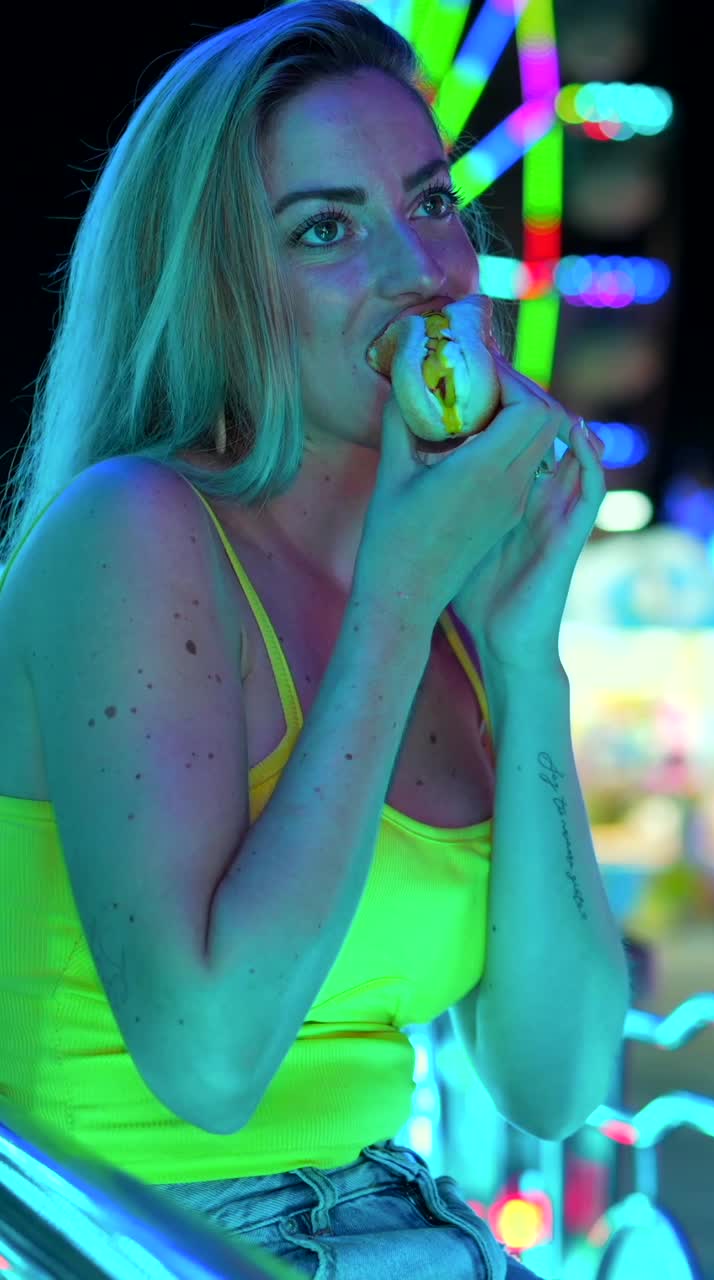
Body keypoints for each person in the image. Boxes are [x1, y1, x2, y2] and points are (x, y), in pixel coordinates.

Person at [0, 2, 613, 1277]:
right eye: (326, 229)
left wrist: (524, 656)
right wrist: (396, 604)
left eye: (432, 202)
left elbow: (555, 1080)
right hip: (141, 1233)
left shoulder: (448, 598)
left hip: (393, 1211)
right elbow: (211, 1060)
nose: (423, 269)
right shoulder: (132, 528)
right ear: (218, 289)